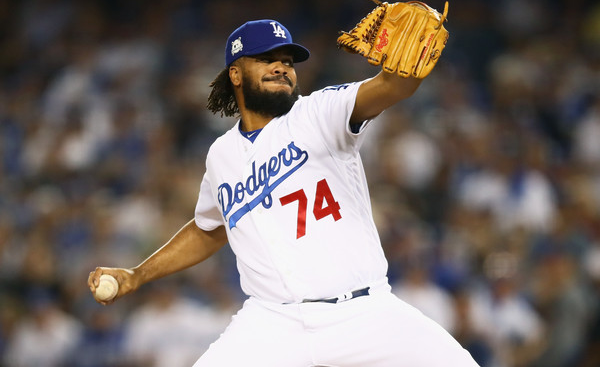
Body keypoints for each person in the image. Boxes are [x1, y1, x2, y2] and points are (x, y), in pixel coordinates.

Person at [89, 18, 479, 366]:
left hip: (362, 312)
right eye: (266, 58)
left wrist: (403, 74)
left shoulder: (319, 113)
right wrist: (137, 275)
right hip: (273, 323)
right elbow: (210, 228)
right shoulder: (221, 155)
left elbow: (392, 86)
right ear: (236, 74)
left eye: (289, 61)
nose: (282, 67)